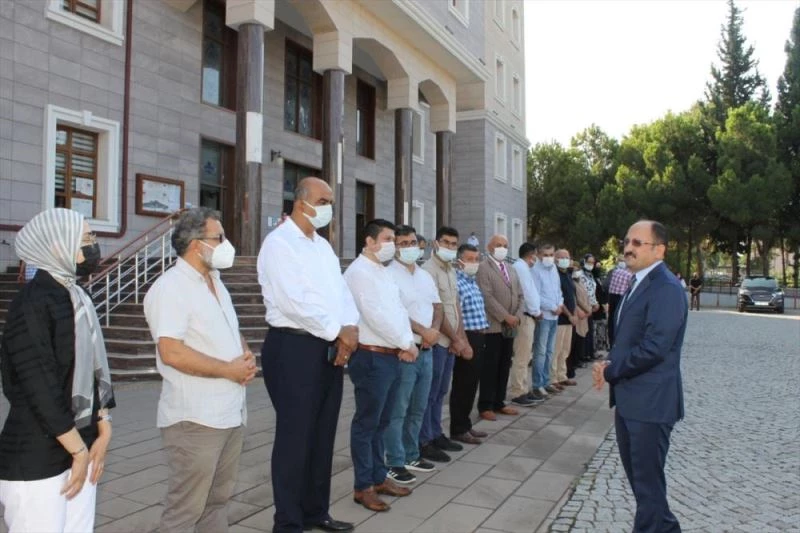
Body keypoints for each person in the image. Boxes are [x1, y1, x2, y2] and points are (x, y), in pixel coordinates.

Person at [0, 208, 114, 533]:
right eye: (86, 238)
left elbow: (92, 369)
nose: (94, 246)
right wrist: (78, 450)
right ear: (57, 245)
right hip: (38, 455)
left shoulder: (77, 295)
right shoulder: (31, 302)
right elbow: (39, 386)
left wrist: (103, 427)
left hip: (82, 446)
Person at [143, 208, 255, 533]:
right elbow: (171, 351)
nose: (226, 244)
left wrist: (244, 352)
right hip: (195, 420)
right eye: (219, 237)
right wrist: (227, 370)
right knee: (185, 510)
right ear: (196, 244)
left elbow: (227, 327)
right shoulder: (171, 288)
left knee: (216, 502)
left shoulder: (215, 281)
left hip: (230, 412)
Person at [257, 177, 359, 533]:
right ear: (301, 204)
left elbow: (341, 292)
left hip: (328, 346)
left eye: (331, 201)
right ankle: (288, 522)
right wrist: (338, 331)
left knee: (322, 435)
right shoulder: (279, 244)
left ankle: (316, 512)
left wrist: (349, 329)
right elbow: (294, 302)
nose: (329, 207)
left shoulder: (322, 246)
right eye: (324, 200)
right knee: (295, 437)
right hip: (294, 347)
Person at [594, 220, 686, 533]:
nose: (628, 248)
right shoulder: (637, 282)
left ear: (659, 250)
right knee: (644, 487)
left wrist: (612, 371)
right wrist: (608, 361)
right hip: (631, 400)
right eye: (626, 241)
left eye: (637, 243)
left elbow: (655, 347)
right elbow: (629, 339)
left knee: (647, 487)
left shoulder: (666, 288)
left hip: (651, 404)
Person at [344, 219, 417, 512]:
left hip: (391, 354)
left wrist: (406, 341)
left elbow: (398, 310)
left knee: (382, 422)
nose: (392, 245)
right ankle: (363, 486)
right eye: (387, 239)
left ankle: (378, 476)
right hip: (372, 356)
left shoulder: (382, 271)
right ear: (370, 241)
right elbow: (375, 316)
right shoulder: (359, 272)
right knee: (367, 424)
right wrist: (406, 342)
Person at [384, 226, 440, 484]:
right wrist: (422, 331)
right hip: (405, 350)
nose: (409, 247)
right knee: (399, 409)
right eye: (403, 243)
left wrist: (434, 331)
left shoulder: (424, 275)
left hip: (427, 349)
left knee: (419, 406)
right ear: (395, 247)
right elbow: (395, 312)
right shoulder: (388, 275)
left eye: (412, 242)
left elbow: (437, 306)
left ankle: (411, 454)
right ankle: (394, 460)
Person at [420, 227, 469, 462]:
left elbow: (455, 305)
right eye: (446, 242)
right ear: (435, 243)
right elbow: (435, 309)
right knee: (429, 393)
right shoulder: (428, 270)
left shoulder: (450, 269)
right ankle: (424, 440)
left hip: (450, 340)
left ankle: (436, 433)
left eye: (453, 244)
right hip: (438, 340)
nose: (450, 247)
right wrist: (455, 338)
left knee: (441, 391)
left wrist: (459, 336)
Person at [475, 234, 523, 421]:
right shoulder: (483, 268)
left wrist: (517, 316)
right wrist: (505, 316)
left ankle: (499, 402)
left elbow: (520, 295)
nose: (502, 248)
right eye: (498, 245)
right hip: (493, 326)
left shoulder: (511, 268)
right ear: (489, 247)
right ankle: (486, 404)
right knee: (490, 366)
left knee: (504, 365)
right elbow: (486, 296)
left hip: (510, 326)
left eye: (505, 245)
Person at [450, 244, 489, 444]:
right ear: (459, 261)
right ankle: (458, 428)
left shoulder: (472, 282)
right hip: (467, 337)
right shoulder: (457, 282)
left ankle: (465, 424)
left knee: (472, 384)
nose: (474, 263)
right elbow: (457, 316)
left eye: (476, 259)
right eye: (469, 259)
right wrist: (463, 342)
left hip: (480, 336)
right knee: (462, 385)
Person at [510, 243, 542, 406]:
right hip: (525, 315)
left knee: (525, 356)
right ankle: (518, 391)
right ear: (531, 255)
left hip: (529, 316)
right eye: (535, 255)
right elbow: (527, 293)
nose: (536, 259)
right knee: (521, 357)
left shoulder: (523, 268)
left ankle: (523, 388)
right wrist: (536, 311)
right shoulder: (520, 268)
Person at [530, 244, 562, 400]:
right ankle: (537, 385)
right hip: (544, 316)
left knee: (550, 351)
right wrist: (552, 307)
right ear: (539, 255)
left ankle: (546, 381)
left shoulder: (554, 269)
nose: (549, 258)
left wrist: (560, 304)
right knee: (540, 351)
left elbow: (558, 290)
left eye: (551, 254)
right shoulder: (535, 270)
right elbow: (536, 294)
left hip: (555, 316)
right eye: (545, 255)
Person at [551, 249, 577, 390]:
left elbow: (572, 296)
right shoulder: (555, 274)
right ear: (556, 259)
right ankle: (553, 378)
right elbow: (559, 299)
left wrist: (575, 313)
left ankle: (562, 376)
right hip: (560, 318)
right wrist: (569, 315)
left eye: (567, 257)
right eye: (562, 257)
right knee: (556, 349)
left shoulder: (567, 274)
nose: (566, 260)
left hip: (570, 319)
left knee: (565, 350)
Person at [567, 265, 593, 381]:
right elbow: (576, 300)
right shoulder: (571, 283)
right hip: (578, 313)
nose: (576, 272)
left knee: (582, 337)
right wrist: (584, 310)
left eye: (577, 270)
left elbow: (586, 297)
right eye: (574, 270)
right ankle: (573, 363)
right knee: (575, 340)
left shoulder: (580, 282)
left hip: (585, 313)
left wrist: (589, 309)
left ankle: (578, 360)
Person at [605, 254, 633, 346]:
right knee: (620, 320)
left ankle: (611, 342)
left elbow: (607, 284)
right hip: (621, 298)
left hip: (612, 296)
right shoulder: (629, 274)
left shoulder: (614, 272)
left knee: (611, 320)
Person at [580, 254, 600, 359]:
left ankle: (590, 353)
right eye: (589, 262)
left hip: (591, 307)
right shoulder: (580, 275)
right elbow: (583, 292)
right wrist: (588, 306)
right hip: (583, 307)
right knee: (583, 332)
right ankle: (583, 355)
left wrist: (595, 303)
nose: (591, 264)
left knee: (590, 331)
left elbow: (592, 290)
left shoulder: (590, 275)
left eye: (592, 262)